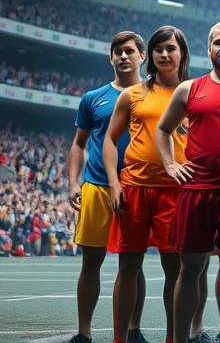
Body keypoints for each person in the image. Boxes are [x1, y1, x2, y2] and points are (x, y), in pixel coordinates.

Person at [157, 22, 220, 343]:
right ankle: (181, 338)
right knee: (190, 268)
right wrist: (170, 163)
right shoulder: (189, 89)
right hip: (196, 189)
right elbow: (163, 129)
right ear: (208, 49)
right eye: (217, 43)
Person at [104, 26, 191, 343]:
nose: (164, 54)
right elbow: (110, 141)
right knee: (128, 266)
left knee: (175, 270)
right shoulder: (133, 94)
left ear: (182, 53)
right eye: (158, 49)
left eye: (170, 48)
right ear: (151, 56)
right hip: (134, 190)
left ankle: (173, 338)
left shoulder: (192, 93)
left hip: (176, 192)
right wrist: (114, 183)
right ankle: (118, 339)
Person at [66, 31, 149, 343]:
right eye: (118, 52)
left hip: (137, 188)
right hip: (98, 187)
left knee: (133, 263)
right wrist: (73, 182)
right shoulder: (92, 98)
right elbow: (78, 145)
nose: (123, 56)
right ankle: (83, 333)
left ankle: (134, 329)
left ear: (143, 56)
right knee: (91, 262)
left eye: (130, 51)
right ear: (111, 58)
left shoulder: (153, 96)